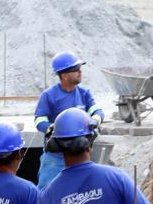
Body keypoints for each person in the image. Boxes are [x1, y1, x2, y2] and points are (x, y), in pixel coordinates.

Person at [34, 52, 104, 191]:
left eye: (80, 69)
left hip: (80, 155)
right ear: (64, 75)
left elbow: (98, 112)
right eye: (76, 69)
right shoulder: (49, 95)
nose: (80, 72)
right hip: (56, 158)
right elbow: (39, 120)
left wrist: (95, 121)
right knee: (46, 192)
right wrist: (53, 128)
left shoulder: (85, 93)